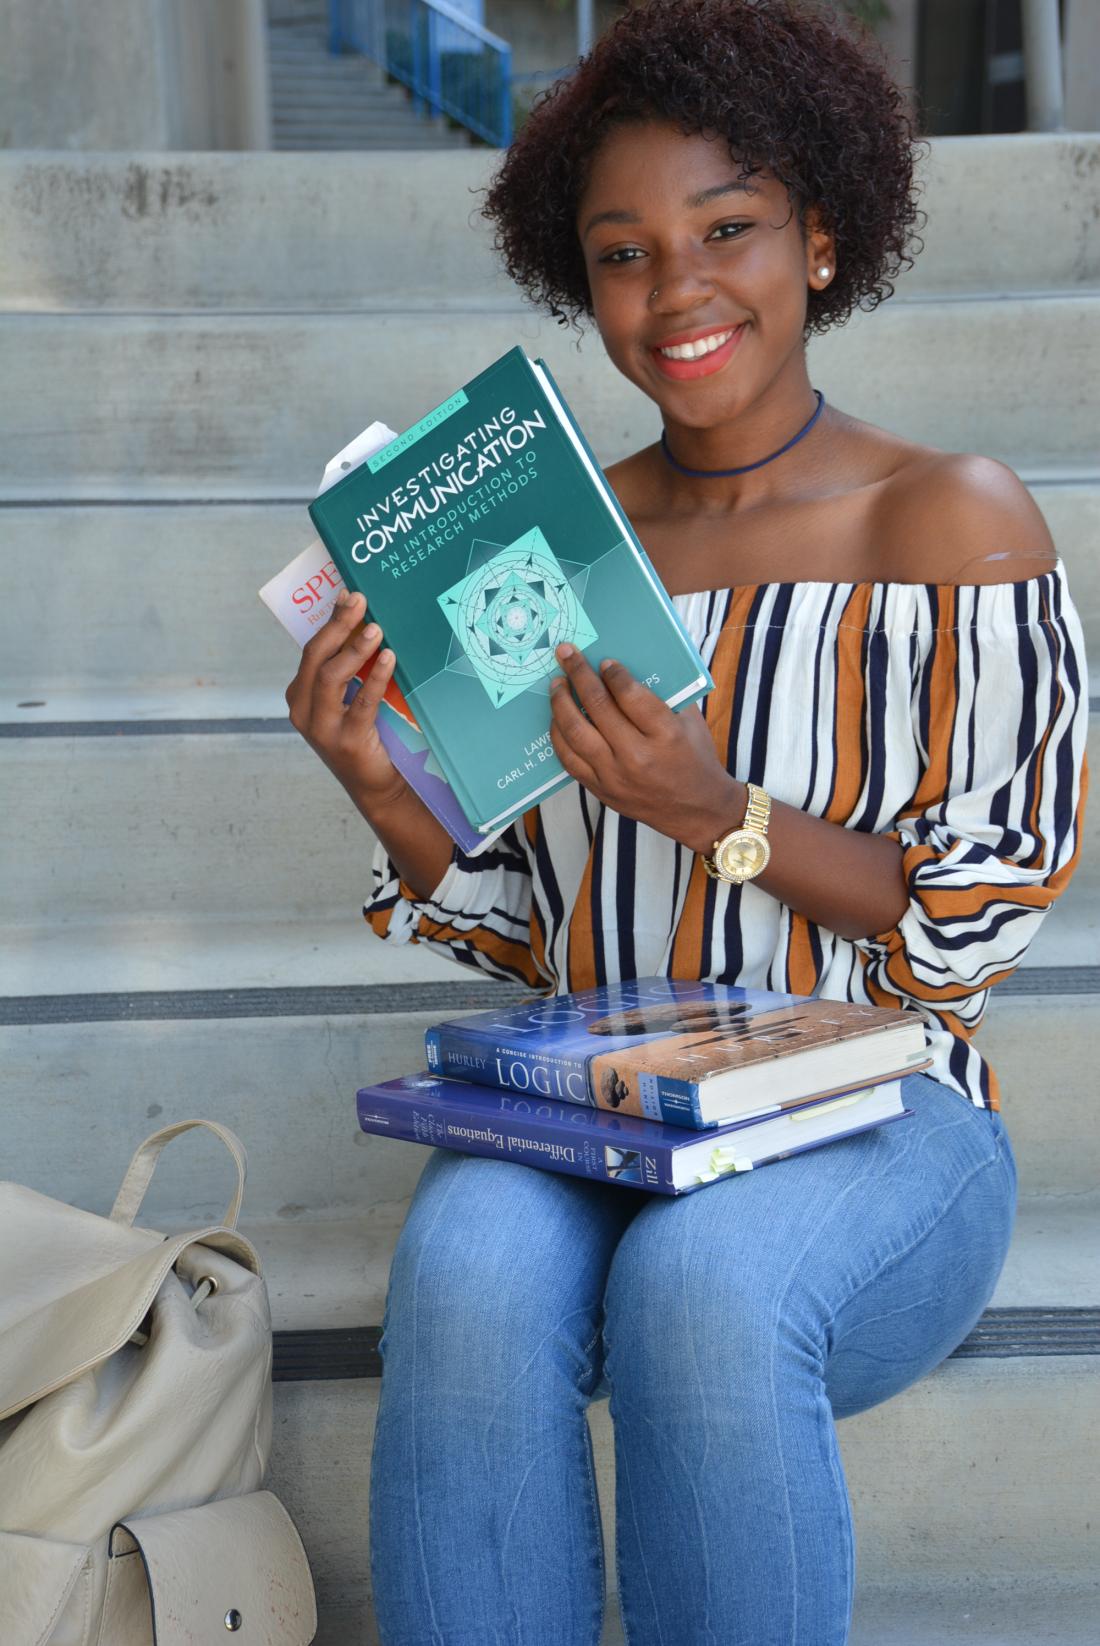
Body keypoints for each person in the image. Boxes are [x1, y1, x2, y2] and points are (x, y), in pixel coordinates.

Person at [284, 2, 1089, 1640]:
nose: (680, 292)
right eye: (626, 252)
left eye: (727, 230)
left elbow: (975, 920)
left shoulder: (946, 514)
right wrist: (379, 775)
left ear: (821, 236)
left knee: (703, 1288)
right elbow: (524, 921)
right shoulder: (556, 547)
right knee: (462, 1268)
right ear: (579, 281)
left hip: (879, 1110)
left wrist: (719, 814)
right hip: (611, 1092)